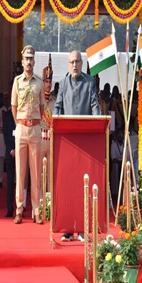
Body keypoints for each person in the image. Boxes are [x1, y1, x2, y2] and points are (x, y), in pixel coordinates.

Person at [54, 50, 97, 241]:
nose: (74, 65)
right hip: (67, 142)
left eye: (77, 62)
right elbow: (58, 107)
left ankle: (81, 228)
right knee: (68, 186)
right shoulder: (63, 84)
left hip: (86, 141)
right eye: (71, 62)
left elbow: (95, 105)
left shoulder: (90, 82)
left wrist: (98, 123)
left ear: (82, 63)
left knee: (83, 185)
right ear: (68, 63)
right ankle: (67, 228)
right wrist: (55, 119)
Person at [11, 45, 47, 225]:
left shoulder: (39, 83)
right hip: (21, 128)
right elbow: (13, 106)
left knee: (36, 172)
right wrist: (20, 124)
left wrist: (34, 122)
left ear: (34, 61)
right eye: (26, 58)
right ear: (22, 61)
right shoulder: (17, 82)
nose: (29, 62)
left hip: (35, 129)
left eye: (31, 58)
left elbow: (42, 107)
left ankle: (36, 211)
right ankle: (19, 209)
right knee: (20, 172)